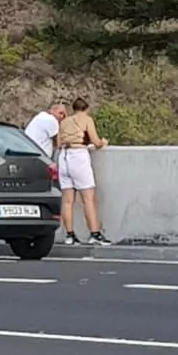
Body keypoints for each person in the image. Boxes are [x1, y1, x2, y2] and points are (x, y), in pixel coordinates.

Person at [55, 96, 111, 245]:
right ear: (86, 109)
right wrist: (103, 142)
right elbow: (96, 141)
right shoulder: (87, 120)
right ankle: (95, 233)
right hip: (78, 157)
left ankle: (70, 235)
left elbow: (59, 143)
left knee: (68, 201)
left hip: (64, 157)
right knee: (88, 198)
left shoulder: (64, 121)